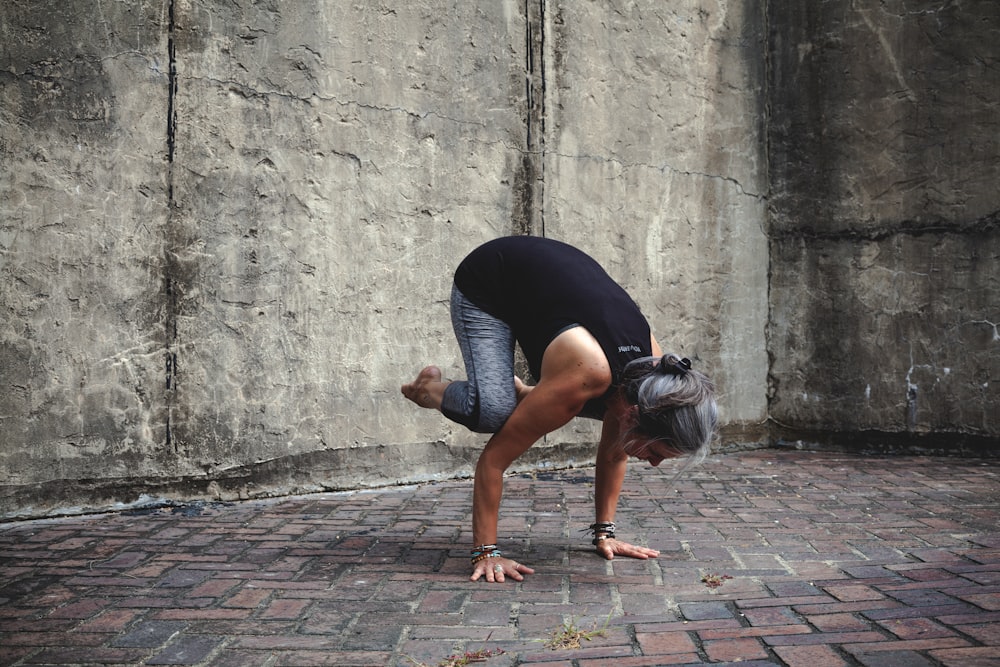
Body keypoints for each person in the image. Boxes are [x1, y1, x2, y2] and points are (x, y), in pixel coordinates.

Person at [401, 235, 717, 583]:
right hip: (490, 279)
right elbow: (493, 461)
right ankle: (427, 388)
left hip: (548, 284)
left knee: (586, 408)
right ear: (635, 416)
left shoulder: (653, 377)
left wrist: (605, 534)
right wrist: (487, 552)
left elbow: (615, 453)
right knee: (492, 412)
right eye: (657, 452)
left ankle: (529, 395)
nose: (654, 463)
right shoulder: (589, 376)